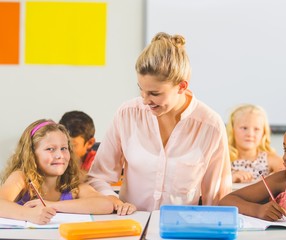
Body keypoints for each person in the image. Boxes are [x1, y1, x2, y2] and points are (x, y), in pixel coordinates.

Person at [87, 32, 232, 212]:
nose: (145, 100)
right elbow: (97, 177)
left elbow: (217, 197)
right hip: (129, 225)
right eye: (141, 90)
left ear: (182, 86)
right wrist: (113, 200)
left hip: (181, 230)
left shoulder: (210, 126)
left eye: (155, 94)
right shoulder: (127, 114)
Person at [0, 119, 128, 225]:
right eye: (50, 149)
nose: (59, 155)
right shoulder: (21, 178)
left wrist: (53, 205)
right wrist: (29, 214)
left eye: (64, 148)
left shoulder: (72, 184)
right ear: (31, 154)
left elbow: (105, 205)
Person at [226, 104, 284, 183]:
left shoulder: (270, 160)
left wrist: (273, 179)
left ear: (264, 132)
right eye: (244, 128)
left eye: (256, 129)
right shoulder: (223, 160)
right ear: (232, 130)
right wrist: (229, 179)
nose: (250, 134)